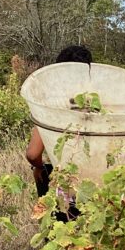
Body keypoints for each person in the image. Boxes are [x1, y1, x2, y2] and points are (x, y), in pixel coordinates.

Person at [26, 45, 93, 200]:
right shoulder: (100, 104)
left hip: (62, 185)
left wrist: (39, 167)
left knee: (61, 222)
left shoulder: (52, 106)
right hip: (96, 187)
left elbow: (33, 153)